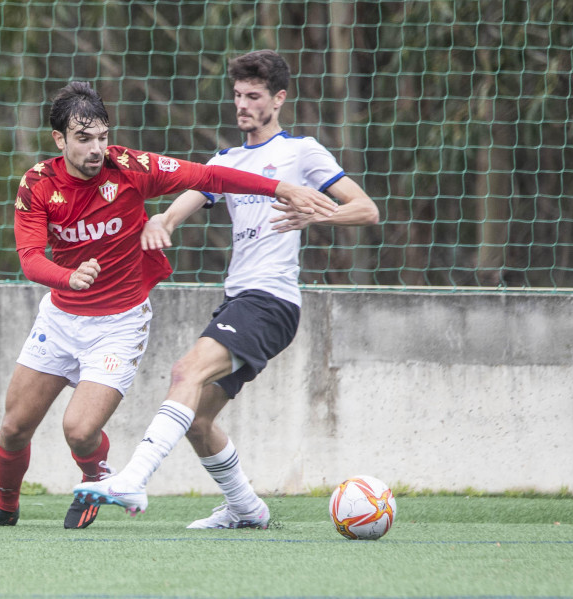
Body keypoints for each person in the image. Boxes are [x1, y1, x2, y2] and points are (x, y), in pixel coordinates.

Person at [0, 80, 337, 529]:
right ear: (59, 139)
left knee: (79, 431)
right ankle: (5, 507)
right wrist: (68, 277)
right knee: (14, 428)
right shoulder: (38, 184)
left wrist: (282, 189)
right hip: (60, 317)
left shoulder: (131, 167)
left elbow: (210, 176)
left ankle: (96, 476)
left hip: (119, 323)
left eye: (102, 136)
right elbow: (29, 259)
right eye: (84, 139)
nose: (97, 148)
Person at [73, 50, 379, 528]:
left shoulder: (302, 152)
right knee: (197, 420)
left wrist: (319, 213)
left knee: (185, 373)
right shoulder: (228, 161)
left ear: (278, 99)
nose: (242, 105)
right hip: (239, 300)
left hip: (272, 301)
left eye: (253, 96)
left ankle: (132, 478)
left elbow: (366, 209)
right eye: (237, 95)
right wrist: (161, 220)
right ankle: (246, 508)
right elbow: (180, 205)